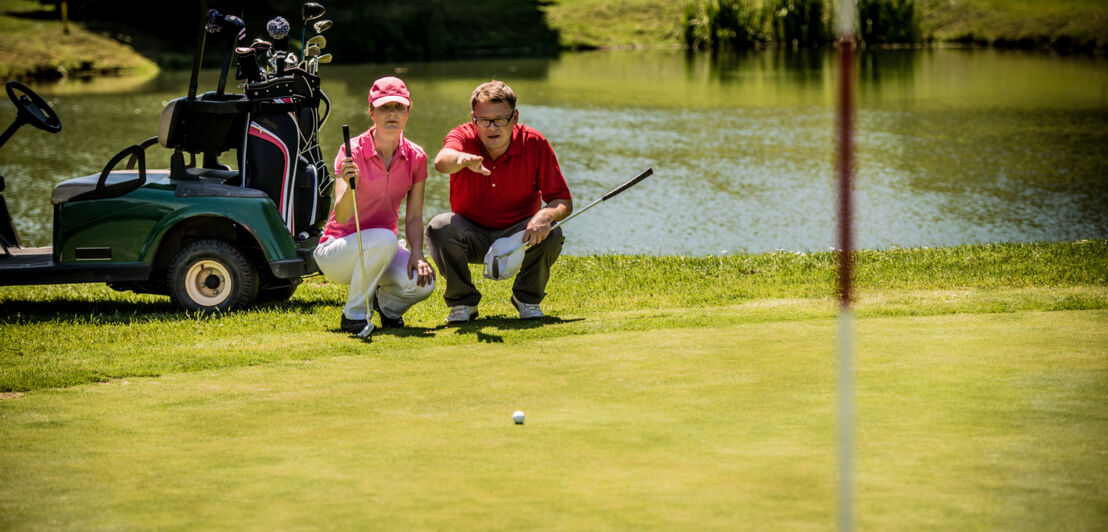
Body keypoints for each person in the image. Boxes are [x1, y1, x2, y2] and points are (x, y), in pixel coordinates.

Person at [426, 80, 572, 323]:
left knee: (553, 231)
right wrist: (462, 159)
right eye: (484, 120)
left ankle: (527, 298)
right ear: (474, 118)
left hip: (519, 237)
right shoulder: (462, 135)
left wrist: (545, 216)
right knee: (439, 226)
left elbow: (562, 201)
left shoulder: (534, 142)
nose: (491, 127)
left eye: (500, 119)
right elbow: (441, 162)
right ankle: (463, 302)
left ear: (514, 117)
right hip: (471, 235)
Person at [314, 76, 435, 335]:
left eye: (398, 107)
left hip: (383, 248)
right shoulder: (351, 152)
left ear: (408, 111)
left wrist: (417, 253)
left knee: (423, 283)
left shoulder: (417, 156)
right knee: (385, 238)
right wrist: (348, 182)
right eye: (384, 107)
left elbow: (414, 217)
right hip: (337, 251)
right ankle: (354, 315)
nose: (392, 113)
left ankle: (387, 308)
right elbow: (343, 215)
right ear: (371, 111)